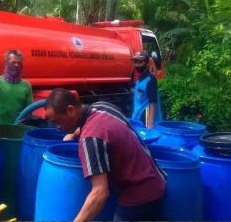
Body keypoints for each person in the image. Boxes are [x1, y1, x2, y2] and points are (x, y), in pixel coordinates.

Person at [45, 88, 166, 221]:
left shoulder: (90, 139)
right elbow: (106, 128)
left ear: (70, 110)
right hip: (157, 182)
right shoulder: (102, 107)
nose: (57, 127)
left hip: (138, 195)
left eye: (58, 121)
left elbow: (100, 192)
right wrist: (75, 133)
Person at [131, 50, 162, 128]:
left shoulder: (150, 79)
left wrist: (150, 123)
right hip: (137, 117)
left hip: (146, 119)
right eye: (135, 62)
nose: (137, 65)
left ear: (147, 63)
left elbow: (153, 102)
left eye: (140, 62)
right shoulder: (139, 79)